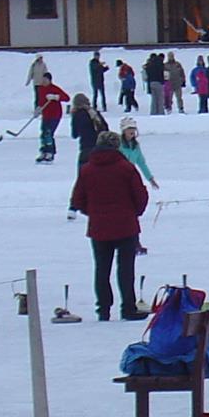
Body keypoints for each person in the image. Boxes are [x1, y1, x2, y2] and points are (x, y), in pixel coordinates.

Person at [68, 131, 149, 322]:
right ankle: (128, 307)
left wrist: (94, 212)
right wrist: (133, 213)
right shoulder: (126, 168)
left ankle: (103, 309)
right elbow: (141, 196)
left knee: (102, 269)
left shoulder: (87, 169)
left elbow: (77, 199)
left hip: (98, 227)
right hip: (126, 226)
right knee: (126, 269)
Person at [34, 74, 70, 163]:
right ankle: (43, 151)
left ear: (50, 80)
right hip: (46, 115)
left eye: (45, 80)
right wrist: (38, 109)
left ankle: (50, 152)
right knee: (43, 133)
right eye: (43, 80)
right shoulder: (41, 89)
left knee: (48, 133)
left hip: (55, 115)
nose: (44, 81)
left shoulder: (54, 88)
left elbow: (67, 98)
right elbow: (40, 101)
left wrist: (55, 97)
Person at [116, 117, 158, 191]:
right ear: (124, 130)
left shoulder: (135, 146)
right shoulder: (118, 145)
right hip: (118, 176)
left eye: (133, 128)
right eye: (129, 128)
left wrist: (150, 178)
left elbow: (141, 163)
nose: (132, 130)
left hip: (130, 175)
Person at [68, 93, 107, 164]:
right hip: (100, 146)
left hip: (86, 147)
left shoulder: (77, 115)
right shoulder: (95, 113)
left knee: (84, 172)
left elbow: (74, 134)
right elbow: (105, 128)